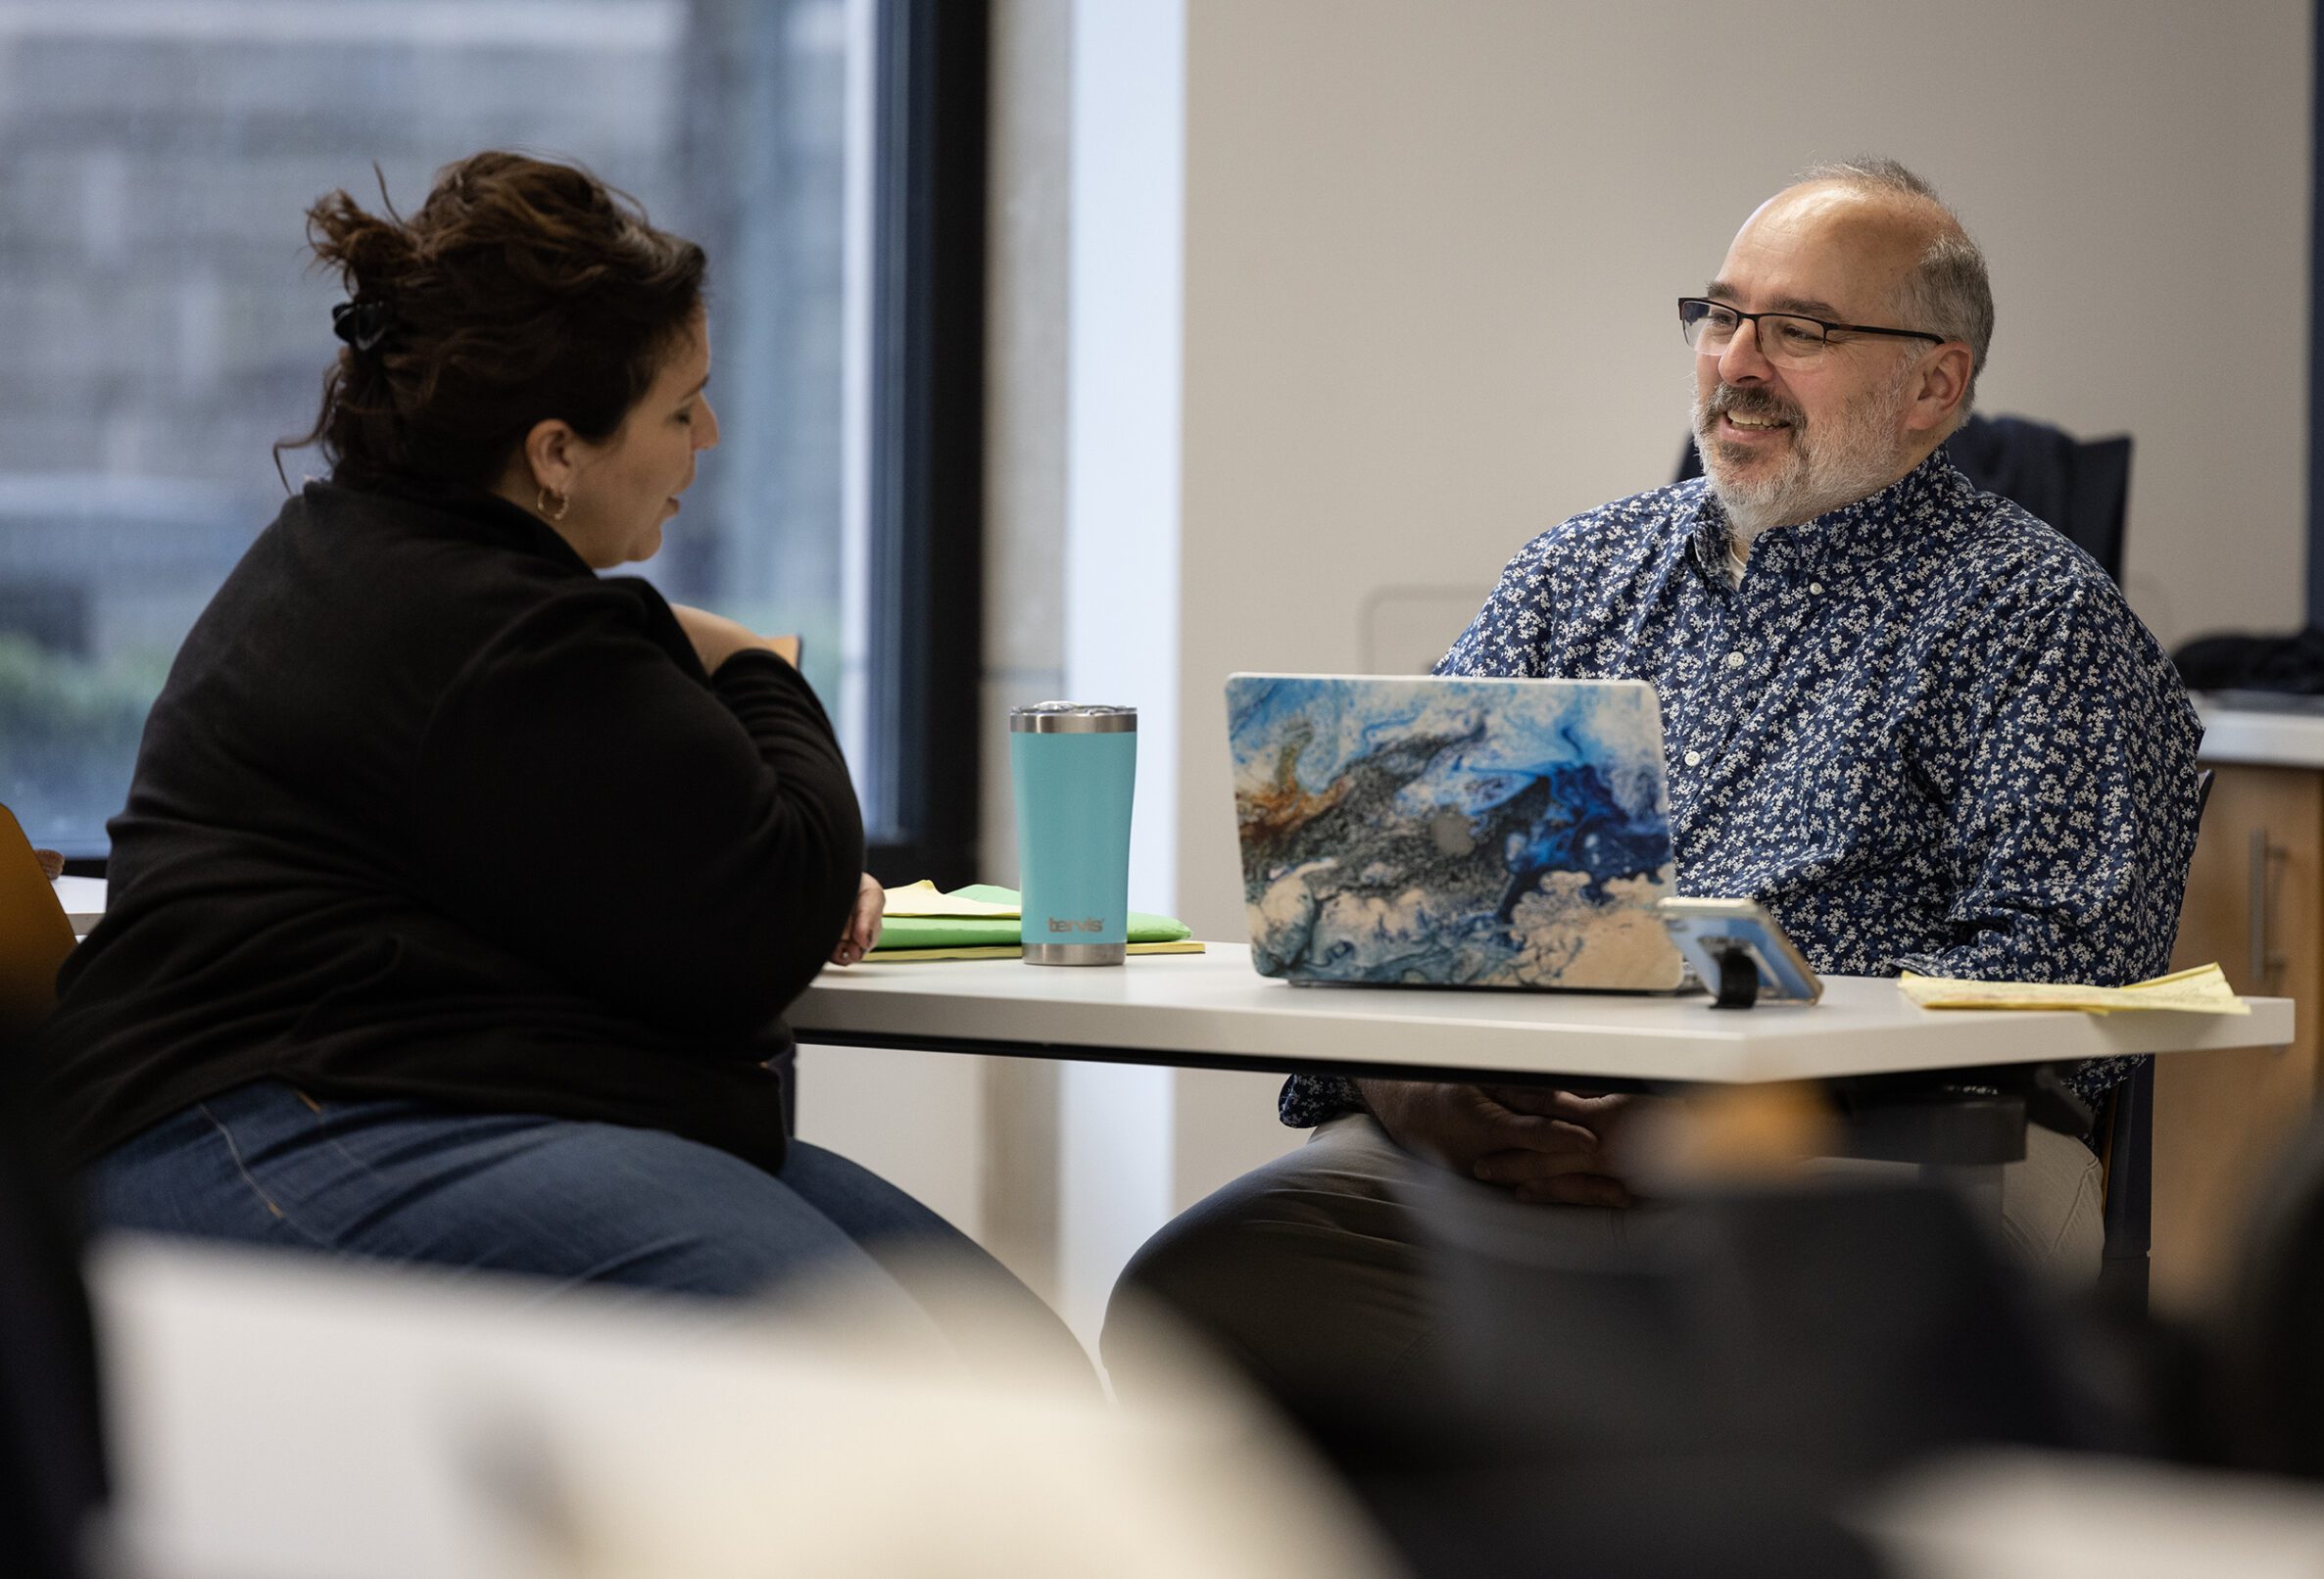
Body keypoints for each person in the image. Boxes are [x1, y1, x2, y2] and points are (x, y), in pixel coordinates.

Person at [1104, 159, 2202, 1401]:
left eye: (1801, 330)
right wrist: (1411, 1094)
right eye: (1721, 315)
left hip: (1877, 1164)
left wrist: (1724, 1112)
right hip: (1513, 1155)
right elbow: (1380, 900)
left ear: (1933, 386)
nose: (1736, 360)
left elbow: (2073, 975)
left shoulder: (2039, 617)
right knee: (1197, 1306)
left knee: (1694, 1393)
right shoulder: (1574, 575)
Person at [39, 152, 1078, 1366]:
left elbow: (698, 868)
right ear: (555, 452)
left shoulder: (395, 565)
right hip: (248, 1120)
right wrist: (755, 662)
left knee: (1014, 1370)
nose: (711, 437)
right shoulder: (495, 631)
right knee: (890, 1381)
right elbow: (781, 892)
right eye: (679, 409)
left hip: (393, 1087)